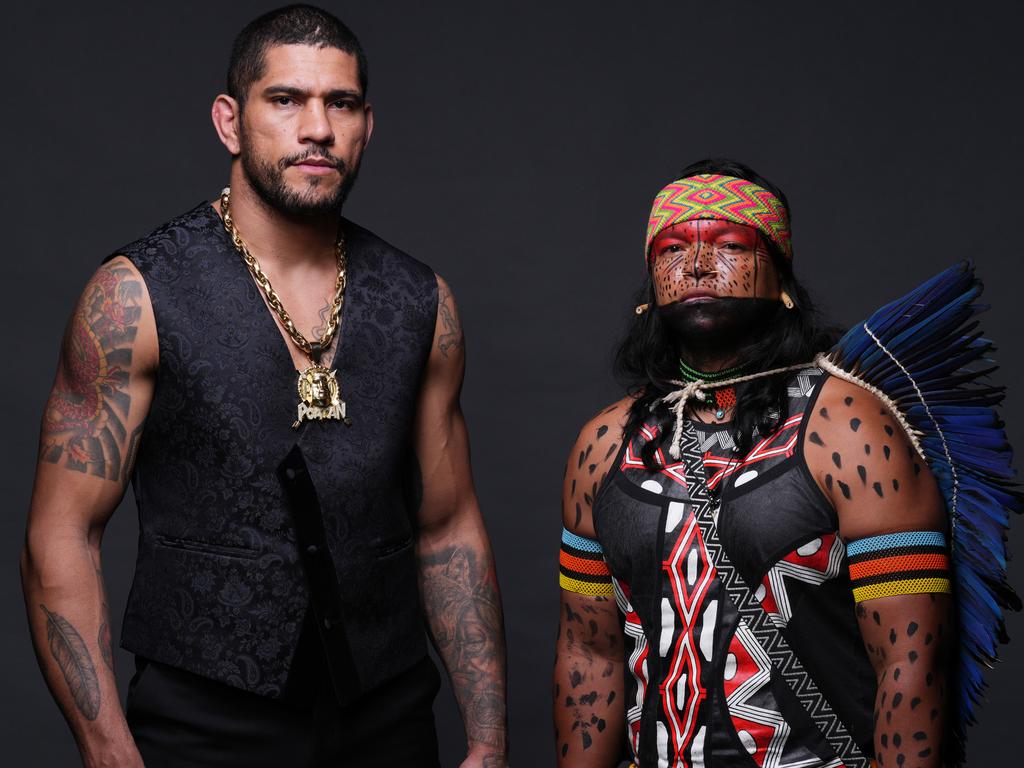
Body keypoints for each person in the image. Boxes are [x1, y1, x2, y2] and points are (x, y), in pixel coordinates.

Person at [21, 5, 507, 767]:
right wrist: (107, 750)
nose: (316, 128)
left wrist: (487, 738)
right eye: (285, 100)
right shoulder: (135, 296)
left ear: (366, 125)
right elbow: (61, 533)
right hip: (202, 727)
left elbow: (448, 527)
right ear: (230, 121)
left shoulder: (422, 302)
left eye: (339, 103)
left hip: (389, 721)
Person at [553, 159, 1018, 767]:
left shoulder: (849, 428)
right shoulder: (604, 444)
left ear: (781, 279)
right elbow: (589, 655)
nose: (694, 264)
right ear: (650, 283)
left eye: (727, 244)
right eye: (671, 248)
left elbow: (910, 661)